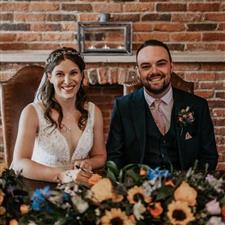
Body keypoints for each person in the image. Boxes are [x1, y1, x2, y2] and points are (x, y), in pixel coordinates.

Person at [107, 39, 218, 171]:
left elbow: (209, 157)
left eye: (161, 64)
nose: (154, 71)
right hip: (139, 187)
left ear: (171, 66)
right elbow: (114, 158)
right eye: (146, 66)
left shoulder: (198, 106)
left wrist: (192, 185)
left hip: (185, 185)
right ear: (138, 72)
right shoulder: (122, 107)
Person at [11, 47, 107, 183]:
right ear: (50, 77)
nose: (67, 81)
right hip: (42, 187)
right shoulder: (32, 112)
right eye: (60, 74)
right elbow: (19, 163)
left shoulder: (94, 112)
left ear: (81, 75)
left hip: (81, 186)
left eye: (73, 73)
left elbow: (100, 156)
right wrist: (64, 175)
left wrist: (88, 163)